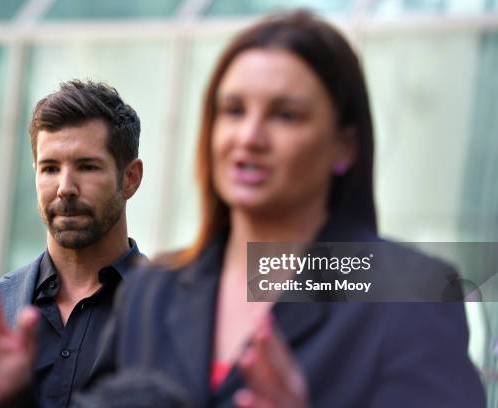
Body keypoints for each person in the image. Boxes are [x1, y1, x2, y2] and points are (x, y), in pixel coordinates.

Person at [83, 10, 486, 407]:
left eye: (286, 115)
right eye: (234, 110)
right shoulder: (150, 291)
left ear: (344, 146)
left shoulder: (412, 293)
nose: (250, 136)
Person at [0, 79, 145, 408]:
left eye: (87, 167)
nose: (65, 187)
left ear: (130, 178)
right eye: (50, 168)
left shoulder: (180, 311)